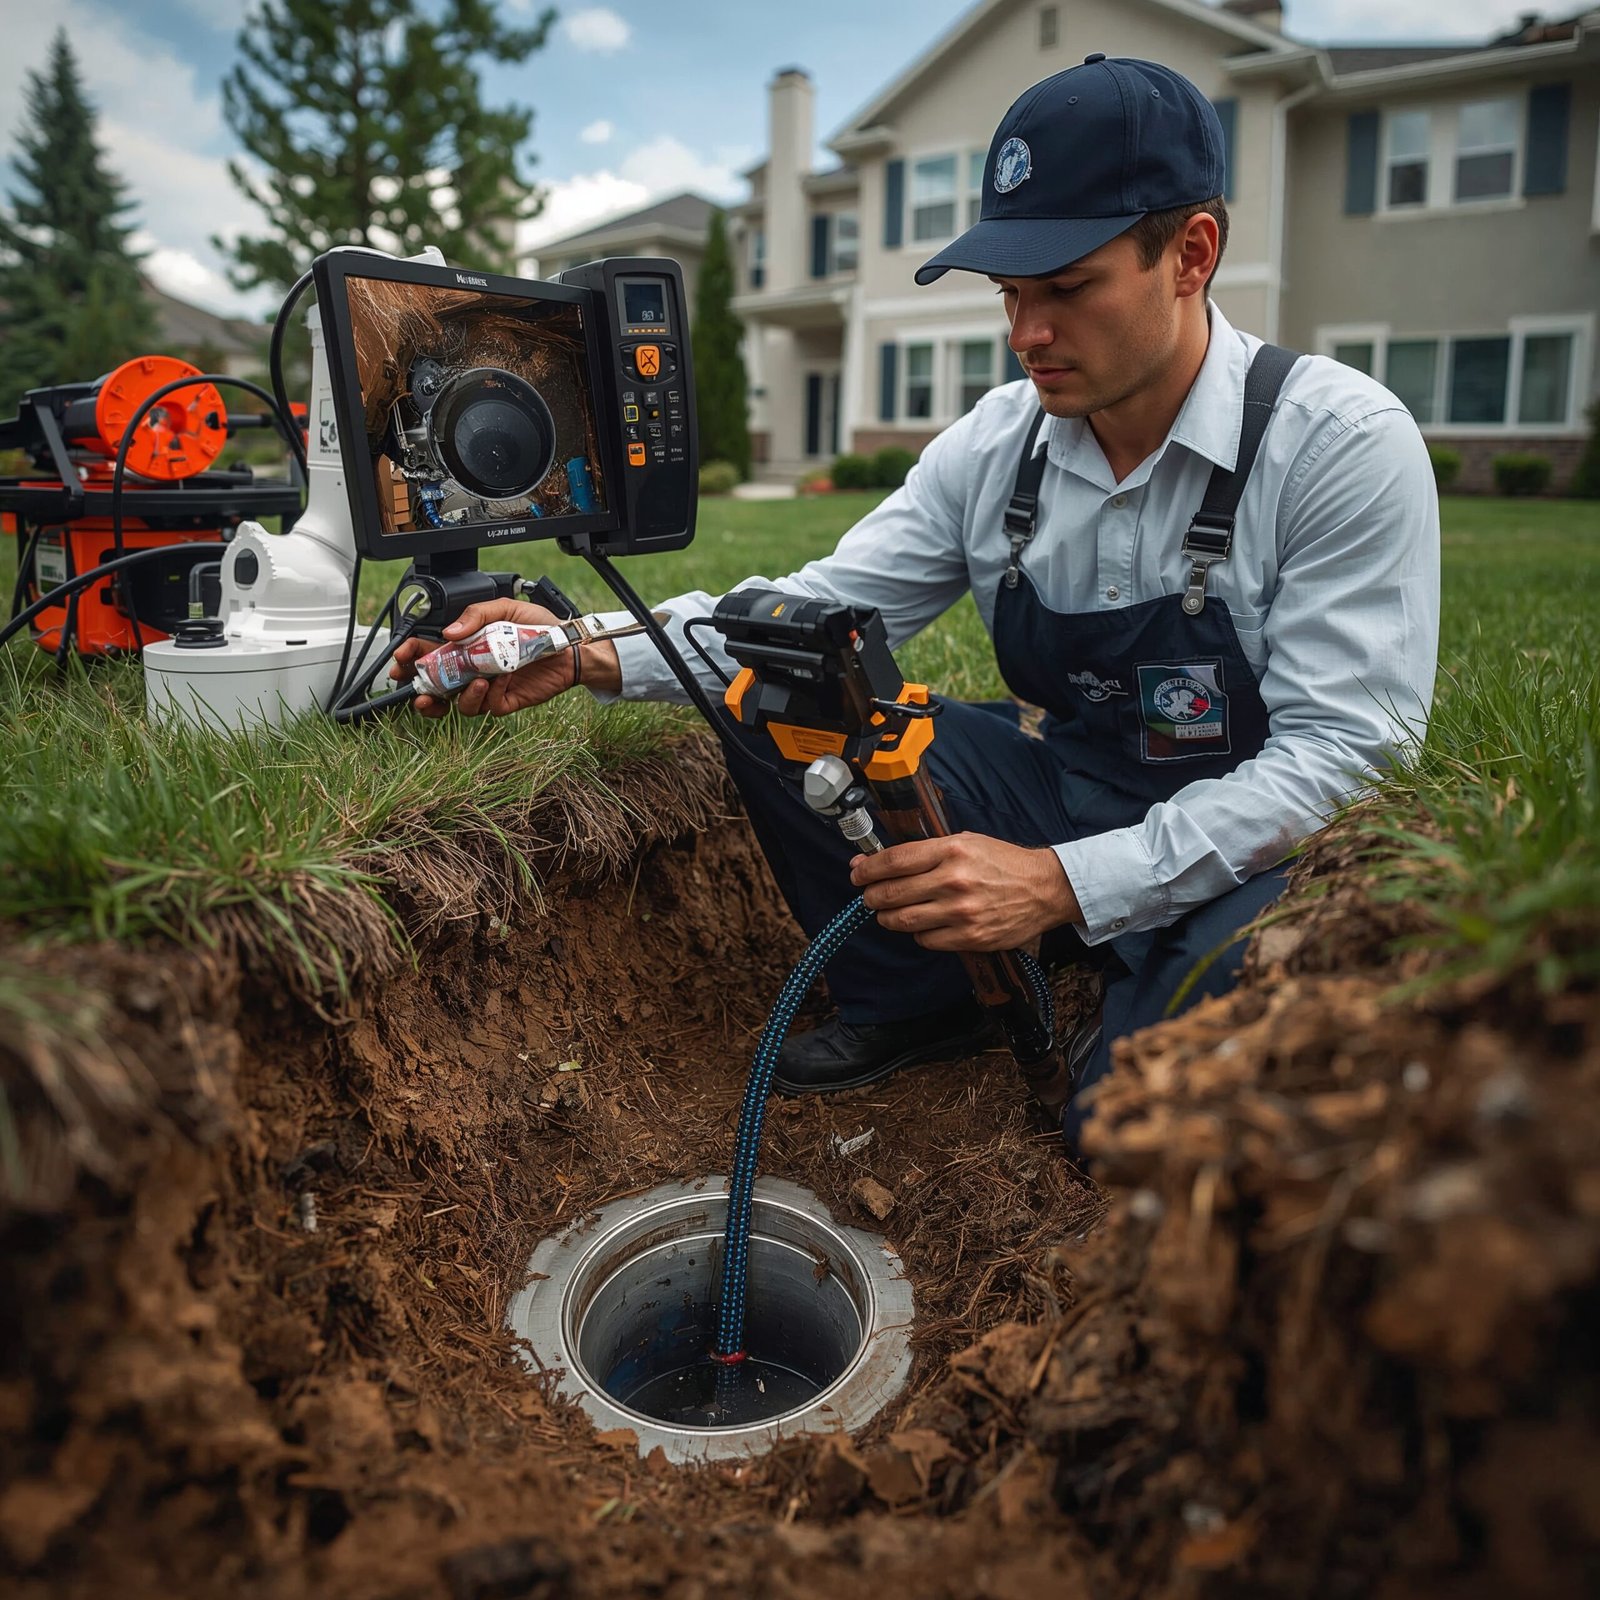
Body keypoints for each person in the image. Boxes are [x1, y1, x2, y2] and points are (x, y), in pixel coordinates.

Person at [393, 55, 1440, 1149]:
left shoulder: (1335, 444)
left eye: (1066, 288)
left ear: (1190, 254)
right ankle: (921, 1000)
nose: (1025, 332)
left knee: (1120, 1128)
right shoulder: (999, 445)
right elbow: (808, 612)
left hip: (1260, 849)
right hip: (1072, 787)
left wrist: (1059, 885)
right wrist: (583, 646)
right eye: (1008, 293)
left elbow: (1345, 758)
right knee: (783, 689)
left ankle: (1108, 965)